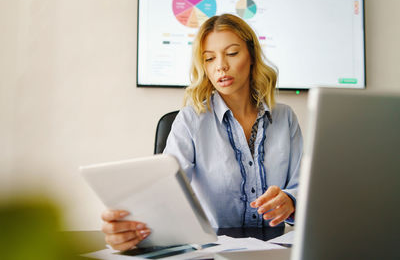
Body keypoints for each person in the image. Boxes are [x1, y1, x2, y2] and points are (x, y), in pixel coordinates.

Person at [101, 13, 303, 251]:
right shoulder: (189, 121)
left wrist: (291, 201)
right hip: (211, 252)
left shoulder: (285, 118)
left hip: (275, 253)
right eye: (209, 58)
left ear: (251, 56)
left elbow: (305, 188)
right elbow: (164, 193)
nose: (221, 66)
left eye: (232, 53)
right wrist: (131, 227)